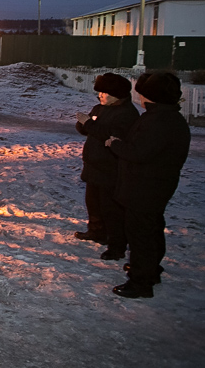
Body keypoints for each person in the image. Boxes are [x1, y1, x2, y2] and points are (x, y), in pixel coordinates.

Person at [105, 72, 190, 299]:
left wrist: (115, 144)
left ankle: (141, 281)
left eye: (141, 94)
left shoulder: (157, 121)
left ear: (149, 97)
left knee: (141, 234)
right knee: (151, 229)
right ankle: (150, 269)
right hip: (157, 185)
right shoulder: (170, 118)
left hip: (144, 187)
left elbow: (139, 152)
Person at [74, 73, 139, 256]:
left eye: (104, 92)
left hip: (110, 168)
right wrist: (83, 124)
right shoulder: (100, 108)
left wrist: (89, 124)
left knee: (110, 208)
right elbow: (89, 129)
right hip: (93, 165)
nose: (100, 96)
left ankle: (115, 242)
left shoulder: (126, 114)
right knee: (93, 203)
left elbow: (110, 134)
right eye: (99, 92)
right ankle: (96, 231)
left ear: (116, 94)